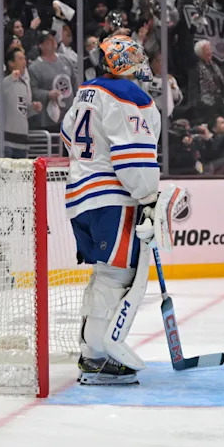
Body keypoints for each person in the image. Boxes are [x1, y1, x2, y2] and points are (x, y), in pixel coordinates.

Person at [61, 34, 160, 386]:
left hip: (80, 197)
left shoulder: (86, 91)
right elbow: (133, 155)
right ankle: (97, 355)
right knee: (117, 275)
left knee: (105, 272)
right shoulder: (130, 95)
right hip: (113, 199)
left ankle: (93, 351)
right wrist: (148, 198)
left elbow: (68, 133)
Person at [0, 46, 42, 157]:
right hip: (3, 141)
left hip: (21, 142)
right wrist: (10, 78)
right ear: (11, 63)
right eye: (20, 58)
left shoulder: (24, 84)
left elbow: (22, 110)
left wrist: (33, 109)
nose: (24, 61)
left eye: (24, 58)